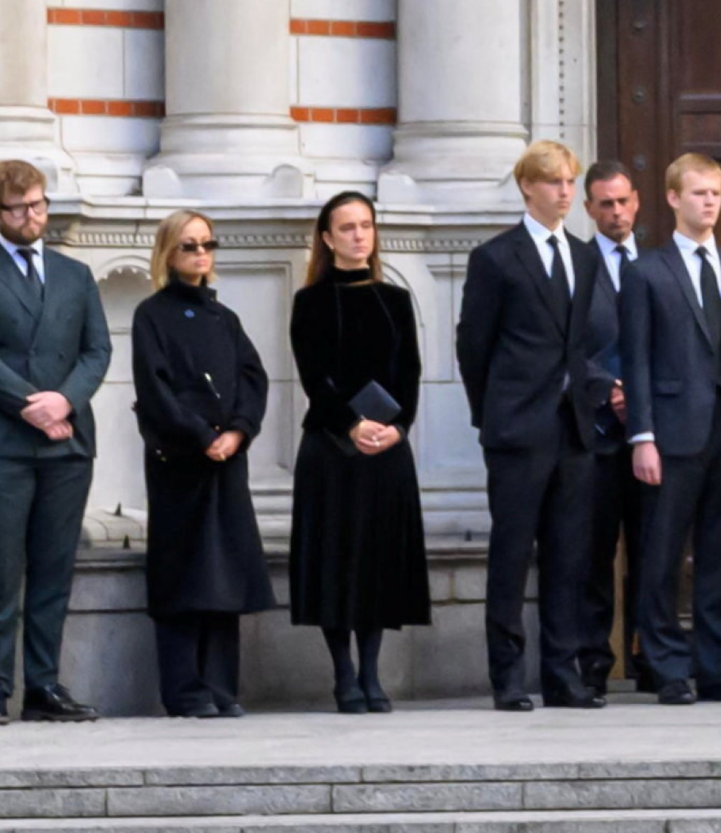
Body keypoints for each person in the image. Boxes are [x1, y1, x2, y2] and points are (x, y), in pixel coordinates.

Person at [0, 160, 111, 725]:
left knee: (54, 567)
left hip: (68, 443)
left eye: (38, 204)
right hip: (0, 445)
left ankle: (43, 687)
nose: (32, 216)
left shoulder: (75, 273)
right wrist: (32, 406)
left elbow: (97, 351)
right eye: (18, 208)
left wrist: (64, 402)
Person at [457, 140, 604, 711]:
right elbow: (474, 345)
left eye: (569, 182)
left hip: (574, 429)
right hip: (517, 429)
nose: (564, 192)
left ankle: (563, 677)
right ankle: (508, 677)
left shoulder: (584, 254)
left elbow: (583, 341)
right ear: (527, 187)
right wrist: (491, 415)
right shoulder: (496, 257)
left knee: (569, 555)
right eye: (553, 182)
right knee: (512, 554)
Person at [621, 153, 721, 705]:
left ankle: (716, 669)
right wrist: (642, 437)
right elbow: (634, 359)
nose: (710, 202)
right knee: (660, 558)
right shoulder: (646, 273)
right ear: (672, 198)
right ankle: (667, 669)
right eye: (699, 192)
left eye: (716, 193)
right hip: (669, 436)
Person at [289, 191, 430, 714]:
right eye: (346, 228)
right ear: (327, 238)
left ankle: (372, 672)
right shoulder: (310, 302)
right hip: (332, 447)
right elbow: (314, 378)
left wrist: (398, 427)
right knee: (336, 559)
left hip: (387, 448)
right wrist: (352, 425)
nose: (358, 236)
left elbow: (409, 374)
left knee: (377, 560)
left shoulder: (394, 299)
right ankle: (343, 674)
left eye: (365, 226)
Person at [131, 210, 274, 718]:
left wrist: (238, 431)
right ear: (168, 253)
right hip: (180, 463)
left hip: (226, 460)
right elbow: (156, 387)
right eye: (188, 245)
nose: (199, 253)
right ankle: (185, 690)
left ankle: (221, 686)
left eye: (206, 244)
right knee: (183, 572)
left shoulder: (224, 317)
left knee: (225, 572)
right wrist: (201, 436)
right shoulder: (152, 314)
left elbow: (253, 378)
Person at [579, 160, 652, 695]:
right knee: (595, 551)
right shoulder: (574, 267)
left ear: (638, 202)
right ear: (589, 209)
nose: (616, 212)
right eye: (605, 203)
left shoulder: (658, 266)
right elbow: (560, 346)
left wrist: (644, 399)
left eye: (623, 201)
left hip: (653, 433)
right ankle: (594, 664)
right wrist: (608, 387)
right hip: (598, 434)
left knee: (654, 550)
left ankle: (654, 659)